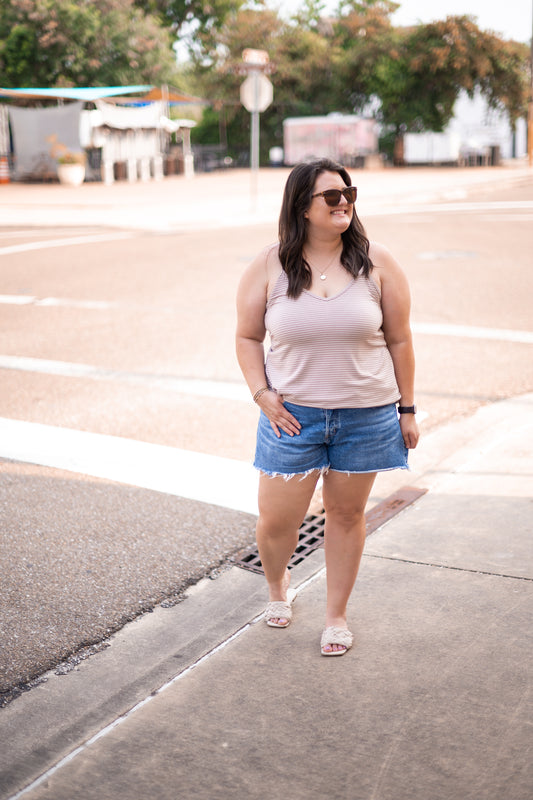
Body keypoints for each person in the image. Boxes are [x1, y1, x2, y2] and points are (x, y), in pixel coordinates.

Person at [236, 158, 419, 656]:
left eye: (348, 193)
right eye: (330, 196)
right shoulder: (271, 263)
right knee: (277, 522)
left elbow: (400, 340)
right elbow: (248, 336)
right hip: (292, 417)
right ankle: (278, 587)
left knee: (345, 515)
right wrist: (261, 394)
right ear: (302, 207)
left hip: (367, 416)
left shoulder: (377, 260)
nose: (344, 203)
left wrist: (407, 409)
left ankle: (335, 615)